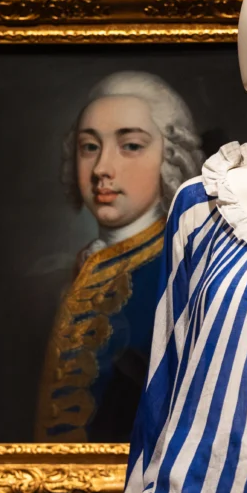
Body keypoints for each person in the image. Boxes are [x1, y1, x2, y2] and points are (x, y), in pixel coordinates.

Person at [35, 70, 204, 443]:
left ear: (171, 157)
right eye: (89, 147)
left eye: (130, 145)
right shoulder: (48, 278)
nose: (101, 170)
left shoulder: (186, 274)